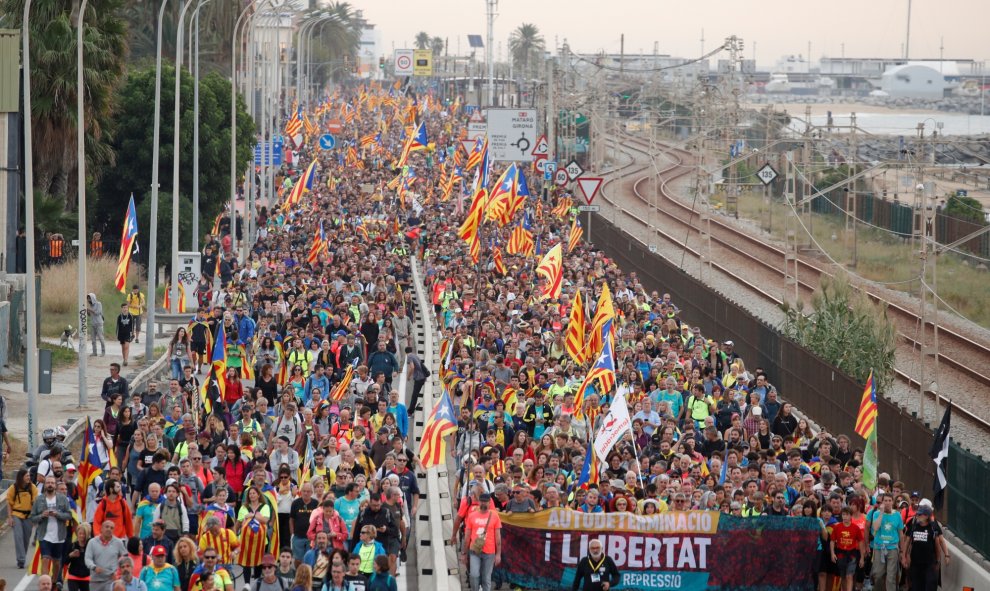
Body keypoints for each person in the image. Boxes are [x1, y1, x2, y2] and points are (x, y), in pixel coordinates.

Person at [30, 475, 73, 579]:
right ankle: (45, 584)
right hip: (44, 535)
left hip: (59, 535)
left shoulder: (62, 499)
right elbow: (32, 518)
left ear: (55, 485)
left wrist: (57, 514)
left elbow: (69, 515)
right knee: (45, 559)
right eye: (48, 483)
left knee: (57, 562)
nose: (50, 485)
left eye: (52, 483)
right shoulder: (39, 499)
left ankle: (53, 583)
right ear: (44, 485)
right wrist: (42, 515)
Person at [901, 504, 948, 591]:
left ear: (926, 516)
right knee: (916, 586)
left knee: (930, 585)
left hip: (929, 563)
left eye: (920, 514)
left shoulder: (933, 528)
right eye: (917, 514)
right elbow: (907, 542)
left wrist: (938, 560)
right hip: (916, 563)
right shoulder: (914, 526)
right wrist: (904, 556)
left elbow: (937, 544)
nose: (917, 516)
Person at [462, 492, 502, 591]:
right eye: (482, 501)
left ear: (489, 503)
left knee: (486, 578)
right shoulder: (472, 516)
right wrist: (464, 553)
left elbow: (498, 537)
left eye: (486, 502)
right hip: (474, 551)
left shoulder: (495, 516)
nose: (483, 503)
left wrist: (498, 554)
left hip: (489, 552)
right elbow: (467, 536)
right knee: (474, 575)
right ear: (479, 502)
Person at [867, 492, 903, 591]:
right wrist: (881, 513)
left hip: (892, 548)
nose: (887, 503)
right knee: (878, 575)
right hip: (879, 547)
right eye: (885, 501)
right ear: (882, 502)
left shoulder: (897, 515)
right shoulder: (876, 514)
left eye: (889, 501)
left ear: (892, 502)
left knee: (891, 576)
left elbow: (901, 533)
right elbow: (875, 527)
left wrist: (902, 551)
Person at [7, 468, 38, 568]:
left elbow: (35, 503)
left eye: (29, 475)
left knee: (26, 538)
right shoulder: (14, 488)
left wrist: (33, 518)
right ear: (21, 477)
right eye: (27, 476)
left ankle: (22, 557)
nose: (29, 477)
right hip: (17, 515)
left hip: (28, 516)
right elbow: (9, 503)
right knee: (18, 537)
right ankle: (21, 560)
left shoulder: (32, 487)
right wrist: (10, 518)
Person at [84, 521, 127, 591]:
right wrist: (94, 567)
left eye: (111, 528)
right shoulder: (92, 542)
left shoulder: (118, 542)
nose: (109, 529)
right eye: (107, 527)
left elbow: (125, 559)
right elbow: (87, 559)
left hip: (111, 580)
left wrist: (118, 573)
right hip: (95, 580)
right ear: (101, 528)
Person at [830, 507, 865, 591]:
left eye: (847, 515)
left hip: (852, 554)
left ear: (851, 516)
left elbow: (860, 542)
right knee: (843, 576)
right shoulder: (837, 527)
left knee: (849, 576)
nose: (845, 517)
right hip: (840, 554)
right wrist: (832, 553)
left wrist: (862, 558)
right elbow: (832, 541)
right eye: (843, 514)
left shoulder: (855, 528)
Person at [87, 293, 106, 357]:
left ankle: (103, 352)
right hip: (93, 323)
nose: (89, 299)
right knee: (93, 339)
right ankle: (94, 352)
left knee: (101, 338)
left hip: (99, 323)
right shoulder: (90, 305)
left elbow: (97, 312)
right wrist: (87, 311)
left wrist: (89, 310)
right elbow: (89, 315)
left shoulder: (98, 304)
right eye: (88, 298)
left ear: (93, 298)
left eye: (89, 298)